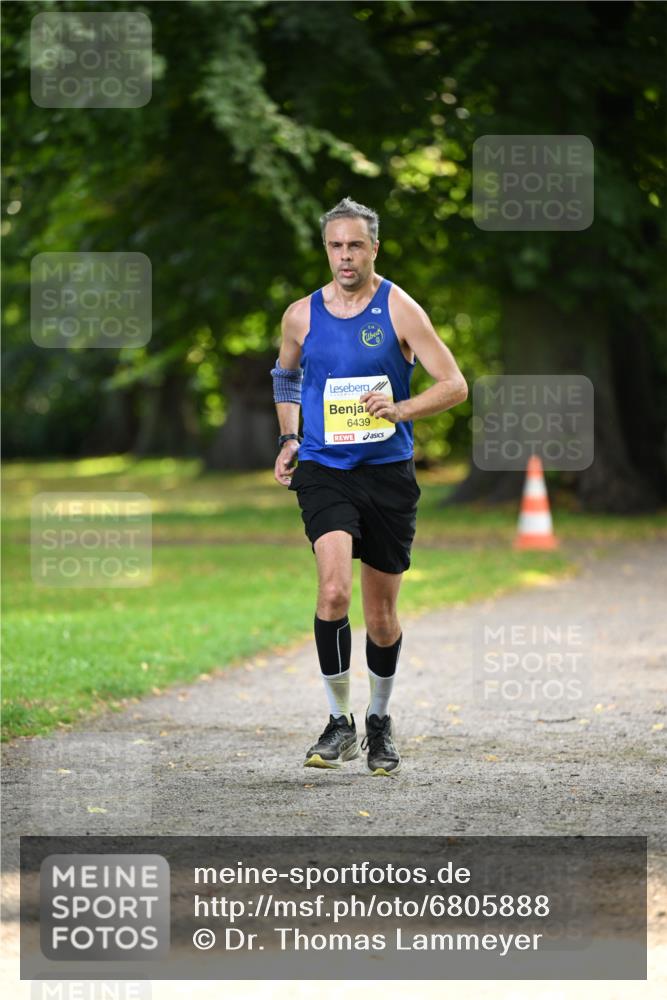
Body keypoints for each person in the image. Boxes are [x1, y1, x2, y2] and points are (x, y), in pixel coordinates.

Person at [271, 197, 467, 776]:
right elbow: (284, 374)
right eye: (336, 245)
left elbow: (454, 384)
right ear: (326, 249)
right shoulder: (300, 315)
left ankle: (379, 721)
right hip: (325, 470)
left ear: (374, 247)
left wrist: (401, 408)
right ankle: (339, 721)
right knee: (333, 593)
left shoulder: (399, 307)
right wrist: (288, 439)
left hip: (387, 477)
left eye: (356, 245)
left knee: (381, 616)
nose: (345, 256)